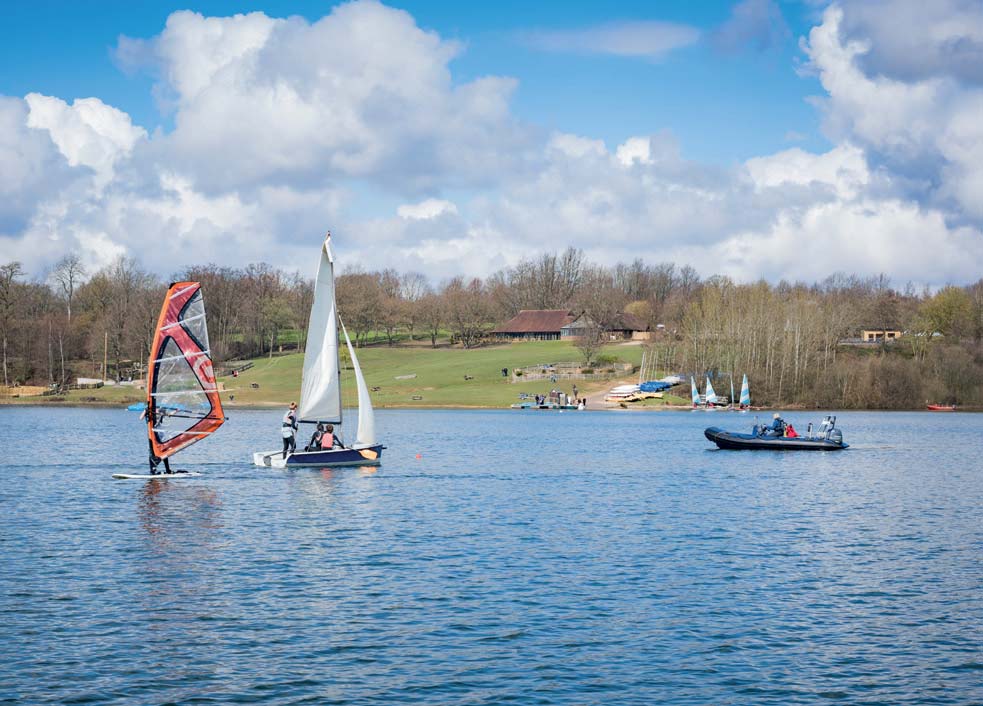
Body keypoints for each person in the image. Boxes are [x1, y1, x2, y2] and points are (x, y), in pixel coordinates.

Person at [140, 403, 172, 475]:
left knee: (163, 450)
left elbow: (169, 414)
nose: (157, 410)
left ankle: (168, 469)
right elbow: (140, 418)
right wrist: (146, 411)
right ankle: (153, 470)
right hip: (151, 433)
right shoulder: (149, 409)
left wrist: (176, 411)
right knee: (152, 451)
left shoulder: (162, 410)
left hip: (160, 432)